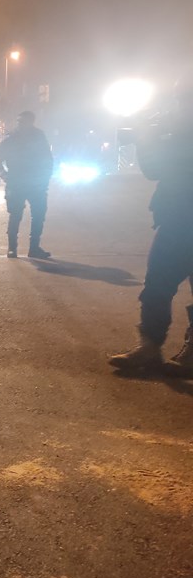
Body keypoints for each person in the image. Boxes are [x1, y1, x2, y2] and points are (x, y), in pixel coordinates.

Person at [109, 77, 193, 371]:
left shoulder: (180, 132)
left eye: (182, 100)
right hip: (175, 219)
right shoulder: (175, 129)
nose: (178, 106)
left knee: (157, 283)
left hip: (181, 217)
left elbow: (158, 168)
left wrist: (151, 139)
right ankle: (150, 347)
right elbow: (153, 170)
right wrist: (149, 139)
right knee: (156, 284)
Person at [0, 111, 54, 258]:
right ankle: (12, 248)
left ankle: (34, 248)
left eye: (24, 121)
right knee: (15, 216)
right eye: (20, 122)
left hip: (35, 183)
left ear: (31, 122)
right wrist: (5, 176)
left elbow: (48, 160)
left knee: (38, 216)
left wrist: (45, 178)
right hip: (17, 183)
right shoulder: (11, 139)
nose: (21, 124)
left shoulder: (38, 137)